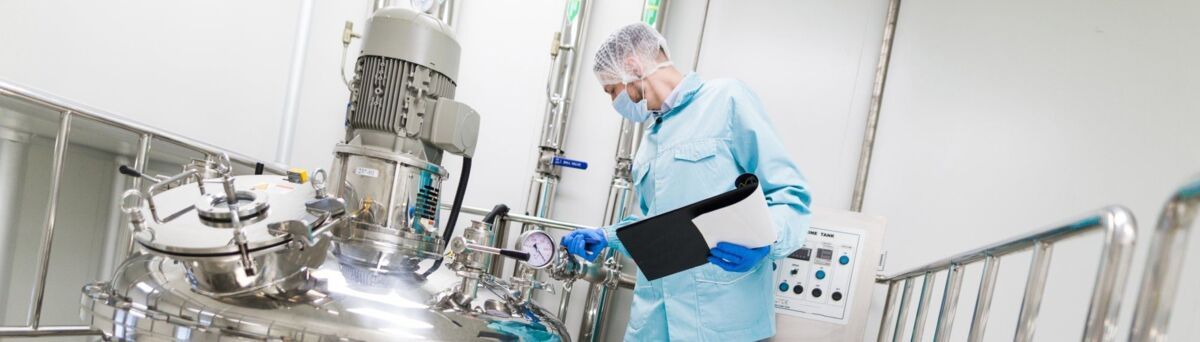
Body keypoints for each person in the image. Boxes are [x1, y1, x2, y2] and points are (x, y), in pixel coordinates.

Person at [561, 23, 813, 341]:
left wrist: (768, 242)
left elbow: (790, 192)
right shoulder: (649, 142)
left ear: (631, 66)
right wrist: (607, 236)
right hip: (654, 323)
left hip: (720, 322)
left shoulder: (726, 100)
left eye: (612, 90)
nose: (614, 102)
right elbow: (654, 226)